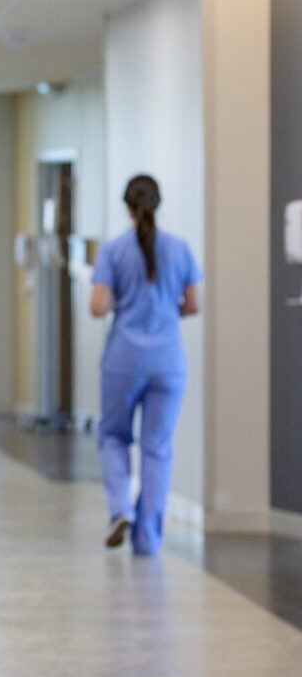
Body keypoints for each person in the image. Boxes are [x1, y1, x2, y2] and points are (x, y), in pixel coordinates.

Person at [90, 174, 202, 557]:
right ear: (158, 204)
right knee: (157, 448)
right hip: (168, 361)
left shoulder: (113, 250)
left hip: (124, 359)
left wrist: (122, 299)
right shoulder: (181, 249)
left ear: (127, 207)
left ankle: (120, 509)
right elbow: (193, 305)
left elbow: (97, 306)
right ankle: (148, 539)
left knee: (113, 437)